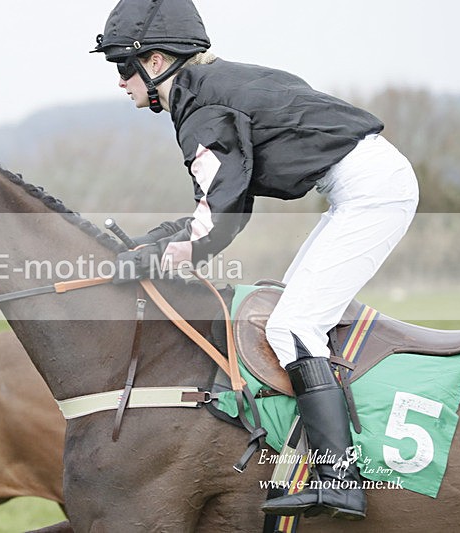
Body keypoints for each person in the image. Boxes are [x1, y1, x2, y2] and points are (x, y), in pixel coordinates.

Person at [93, 0, 419, 522]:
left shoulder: (201, 110)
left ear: (155, 62)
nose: (120, 81)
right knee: (287, 317)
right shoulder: (216, 87)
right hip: (363, 185)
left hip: (370, 191)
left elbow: (220, 220)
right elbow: (223, 205)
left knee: (293, 327)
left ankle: (340, 480)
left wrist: (157, 257)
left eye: (122, 66)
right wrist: (154, 241)